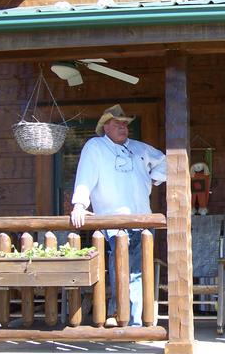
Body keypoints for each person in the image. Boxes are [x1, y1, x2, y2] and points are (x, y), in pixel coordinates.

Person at [70, 104, 166, 327]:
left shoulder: (139, 148)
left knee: (137, 272)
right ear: (105, 127)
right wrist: (79, 205)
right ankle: (125, 317)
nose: (123, 127)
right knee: (122, 269)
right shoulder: (95, 147)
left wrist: (155, 178)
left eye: (125, 124)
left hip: (142, 220)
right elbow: (85, 177)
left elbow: (167, 161)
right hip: (115, 222)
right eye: (117, 124)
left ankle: (131, 320)